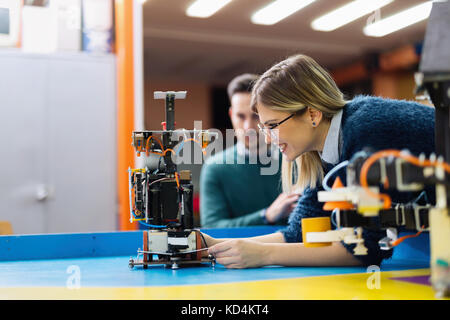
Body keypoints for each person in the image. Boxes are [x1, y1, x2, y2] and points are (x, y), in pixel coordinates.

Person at [202, 54, 435, 268]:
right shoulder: (323, 150)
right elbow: (300, 230)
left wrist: (264, 254)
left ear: (312, 114)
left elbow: (365, 249)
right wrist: (214, 244)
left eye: (272, 126)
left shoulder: (367, 130)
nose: (268, 138)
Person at [200, 73, 299, 228]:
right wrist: (266, 216)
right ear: (231, 115)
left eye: (255, 116)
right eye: (240, 116)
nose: (248, 127)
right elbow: (212, 226)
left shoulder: (295, 158)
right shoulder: (215, 168)